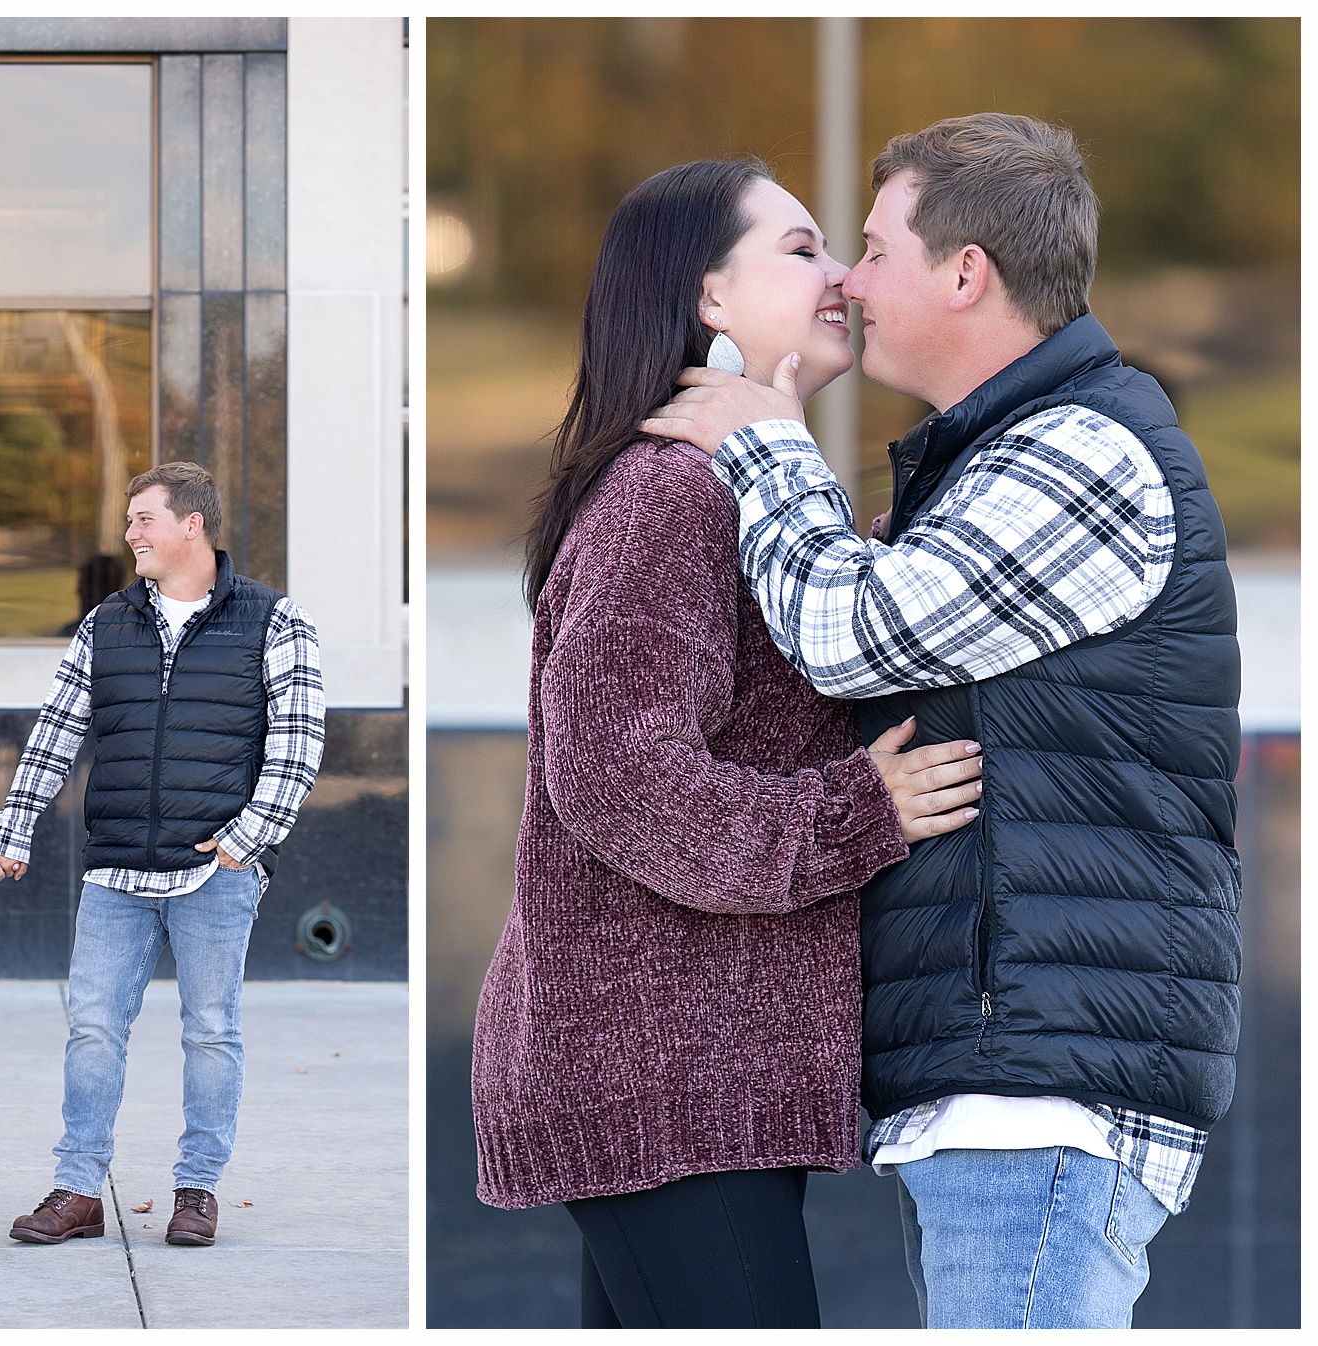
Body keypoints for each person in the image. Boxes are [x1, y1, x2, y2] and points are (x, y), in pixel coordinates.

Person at [642, 114, 1241, 1329]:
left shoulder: (1090, 451)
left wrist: (767, 440)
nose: (851, 282)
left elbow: (851, 630)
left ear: (966, 272)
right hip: (1000, 1082)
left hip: (1040, 1093)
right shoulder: (1007, 454)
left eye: (871, 248)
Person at [471, 159, 985, 1330]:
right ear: (709, 300)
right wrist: (859, 810)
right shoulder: (675, 492)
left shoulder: (733, 491)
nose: (840, 275)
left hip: (698, 1077)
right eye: (801, 249)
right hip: (661, 1073)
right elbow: (613, 771)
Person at [0, 461, 325, 1249]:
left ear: (191, 524)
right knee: (92, 1027)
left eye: (143, 519)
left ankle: (196, 1191)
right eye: (130, 521)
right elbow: (55, 734)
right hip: (117, 871)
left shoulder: (274, 620)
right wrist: (15, 827)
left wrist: (244, 841)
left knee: (210, 1031)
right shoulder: (108, 623)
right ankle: (77, 1189)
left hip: (215, 874)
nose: (130, 534)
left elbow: (298, 748)